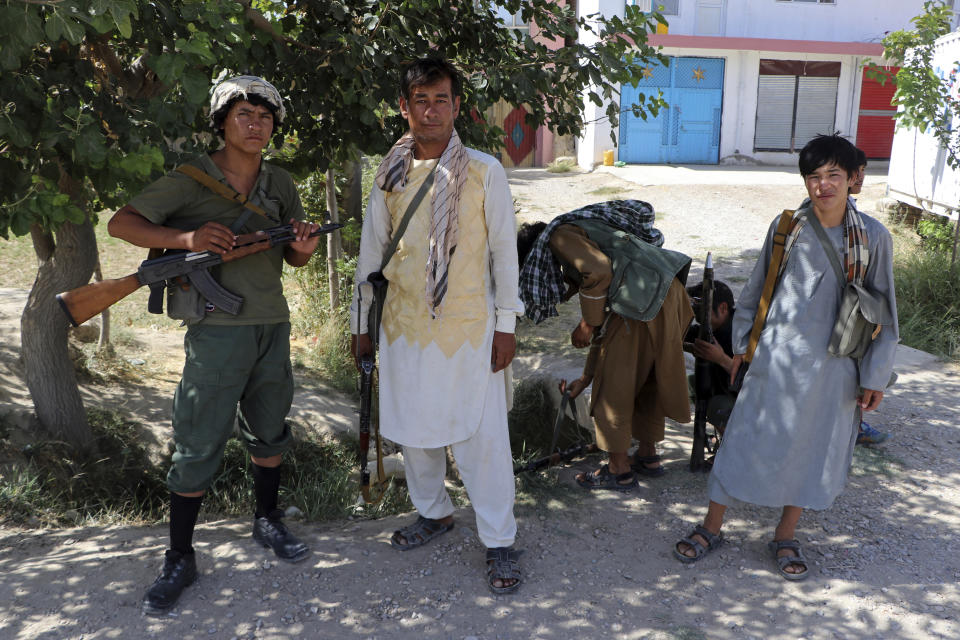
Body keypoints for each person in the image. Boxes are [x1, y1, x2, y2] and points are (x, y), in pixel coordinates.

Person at [108, 76, 320, 615]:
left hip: (271, 323)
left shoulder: (280, 182)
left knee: (270, 428)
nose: (256, 125)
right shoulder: (191, 180)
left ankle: (267, 520)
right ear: (222, 122)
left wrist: (304, 246)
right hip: (216, 331)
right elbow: (121, 223)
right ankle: (180, 555)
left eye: (265, 116)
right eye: (244, 114)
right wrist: (188, 239)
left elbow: (294, 260)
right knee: (199, 438)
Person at [672, 134, 898, 580]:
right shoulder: (786, 227)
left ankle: (786, 534)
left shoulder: (873, 236)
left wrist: (874, 376)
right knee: (741, 442)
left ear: (852, 179)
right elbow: (755, 291)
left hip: (836, 369)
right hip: (774, 361)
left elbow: (885, 312)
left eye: (834, 174)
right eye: (814, 176)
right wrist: (741, 348)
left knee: (811, 451)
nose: (823, 185)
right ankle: (711, 525)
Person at [349, 58, 524, 595]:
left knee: (482, 436)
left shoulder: (483, 171)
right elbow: (371, 253)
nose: (431, 110)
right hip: (402, 327)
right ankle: (434, 512)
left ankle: (499, 541)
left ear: (455, 106)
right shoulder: (390, 173)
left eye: (441, 99)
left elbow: (503, 254)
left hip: (469, 327)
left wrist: (506, 325)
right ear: (404, 108)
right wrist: (361, 323)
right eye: (420, 100)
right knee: (411, 429)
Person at [516, 200, 693, 491]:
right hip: (668, 295)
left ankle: (619, 470)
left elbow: (597, 272)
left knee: (614, 387)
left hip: (642, 301)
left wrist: (587, 323)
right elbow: (607, 326)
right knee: (647, 377)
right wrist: (585, 378)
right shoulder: (589, 230)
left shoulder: (560, 237)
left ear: (535, 254)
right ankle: (647, 456)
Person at [849, 147, 890, 445]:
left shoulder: (870, 228)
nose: (862, 176)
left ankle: (856, 423)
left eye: (865, 169)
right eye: (857, 170)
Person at [685, 279, 737, 438]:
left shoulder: (742, 334)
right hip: (722, 388)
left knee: (717, 407)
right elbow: (680, 336)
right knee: (689, 383)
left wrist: (721, 358)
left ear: (722, 308)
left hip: (746, 402)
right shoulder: (711, 329)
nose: (696, 312)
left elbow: (752, 378)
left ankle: (732, 449)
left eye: (702, 307)